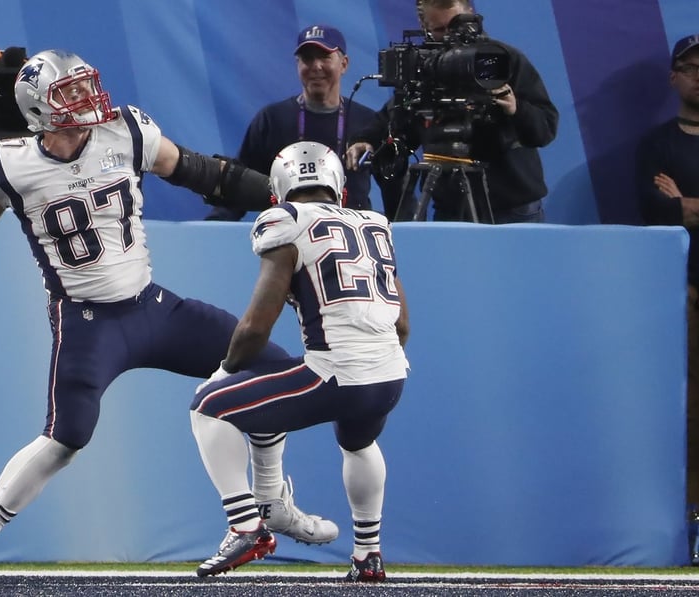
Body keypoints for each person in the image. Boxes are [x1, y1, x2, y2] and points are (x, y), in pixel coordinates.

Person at [0, 49, 338, 581]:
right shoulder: (9, 163)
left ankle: (270, 503)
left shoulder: (125, 131)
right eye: (71, 92)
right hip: (87, 323)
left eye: (86, 85)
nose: (89, 98)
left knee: (268, 370)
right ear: (41, 109)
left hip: (152, 305)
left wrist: (283, 197)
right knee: (66, 438)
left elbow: (204, 173)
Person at [190, 141, 409, 580]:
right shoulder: (373, 223)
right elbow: (402, 325)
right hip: (390, 375)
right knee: (359, 443)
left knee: (210, 406)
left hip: (336, 372)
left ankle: (246, 525)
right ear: (339, 190)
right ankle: (368, 554)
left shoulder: (285, 220)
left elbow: (256, 326)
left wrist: (226, 370)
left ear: (278, 193)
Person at [346, 0, 558, 223]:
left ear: (471, 16)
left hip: (513, 207)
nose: (450, 37)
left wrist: (517, 109)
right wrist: (366, 139)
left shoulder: (502, 59)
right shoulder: (424, 65)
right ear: (424, 26)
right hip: (451, 207)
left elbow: (546, 127)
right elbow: (394, 116)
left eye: (456, 27)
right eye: (439, 30)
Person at [205, 25, 378, 221]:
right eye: (307, 58)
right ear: (298, 65)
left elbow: (397, 190)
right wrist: (213, 229)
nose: (316, 66)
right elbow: (239, 186)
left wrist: (403, 233)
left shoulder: (369, 124)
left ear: (344, 64)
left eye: (324, 57)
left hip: (352, 239)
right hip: (287, 240)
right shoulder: (272, 119)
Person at [635, 33, 699, 565]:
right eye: (691, 66)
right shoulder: (658, 142)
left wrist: (687, 203)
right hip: (683, 290)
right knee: (687, 410)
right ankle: (691, 517)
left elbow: (678, 208)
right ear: (674, 76)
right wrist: (678, 209)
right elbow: (655, 213)